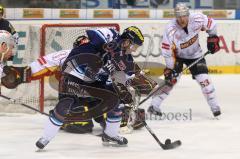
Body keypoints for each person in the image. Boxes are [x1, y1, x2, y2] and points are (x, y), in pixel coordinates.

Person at [33, 26, 146, 149]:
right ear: (128, 41)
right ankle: (45, 138)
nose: (134, 50)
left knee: (116, 100)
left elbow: (127, 77)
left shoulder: (126, 58)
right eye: (134, 46)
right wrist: (109, 49)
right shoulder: (112, 34)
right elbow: (93, 34)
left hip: (94, 82)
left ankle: (110, 134)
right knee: (66, 103)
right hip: (74, 74)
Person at [148, 3, 221, 118]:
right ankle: (154, 105)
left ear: (188, 14)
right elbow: (167, 52)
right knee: (171, 81)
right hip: (178, 57)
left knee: (205, 82)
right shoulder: (170, 28)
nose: (182, 19)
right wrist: (170, 69)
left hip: (196, 55)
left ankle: (215, 107)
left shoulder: (197, 18)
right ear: (176, 16)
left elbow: (212, 24)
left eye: (184, 16)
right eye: (179, 16)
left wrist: (213, 37)